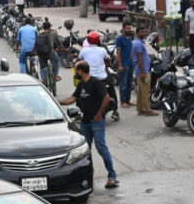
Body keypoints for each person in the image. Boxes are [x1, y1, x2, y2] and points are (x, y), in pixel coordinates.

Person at [58, 61, 119, 189]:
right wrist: (57, 102)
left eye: (76, 70)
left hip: (96, 122)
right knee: (84, 151)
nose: (75, 72)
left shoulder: (96, 82)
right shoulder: (81, 84)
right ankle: (85, 177)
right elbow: (73, 98)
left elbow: (106, 98)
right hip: (85, 122)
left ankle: (112, 176)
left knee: (101, 148)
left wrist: (99, 114)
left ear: (81, 71)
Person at [79, 31, 119, 121]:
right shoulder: (102, 50)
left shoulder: (84, 50)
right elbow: (108, 60)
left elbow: (80, 60)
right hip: (102, 78)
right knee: (112, 91)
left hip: (89, 79)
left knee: (80, 93)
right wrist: (109, 64)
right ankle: (115, 111)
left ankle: (78, 113)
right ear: (97, 40)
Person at [133, 26, 157, 116]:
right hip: (143, 71)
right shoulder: (138, 44)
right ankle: (147, 110)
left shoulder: (137, 43)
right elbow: (139, 58)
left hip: (140, 70)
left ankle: (140, 109)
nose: (144, 33)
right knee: (146, 91)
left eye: (144, 32)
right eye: (142, 32)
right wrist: (143, 73)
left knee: (140, 91)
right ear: (137, 33)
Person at [115, 22, 136, 108]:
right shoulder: (119, 39)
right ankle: (123, 101)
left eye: (130, 28)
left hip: (131, 64)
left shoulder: (130, 37)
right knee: (123, 84)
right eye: (127, 28)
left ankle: (128, 100)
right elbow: (118, 52)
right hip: (124, 64)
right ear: (123, 29)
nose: (129, 30)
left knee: (129, 83)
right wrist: (120, 65)